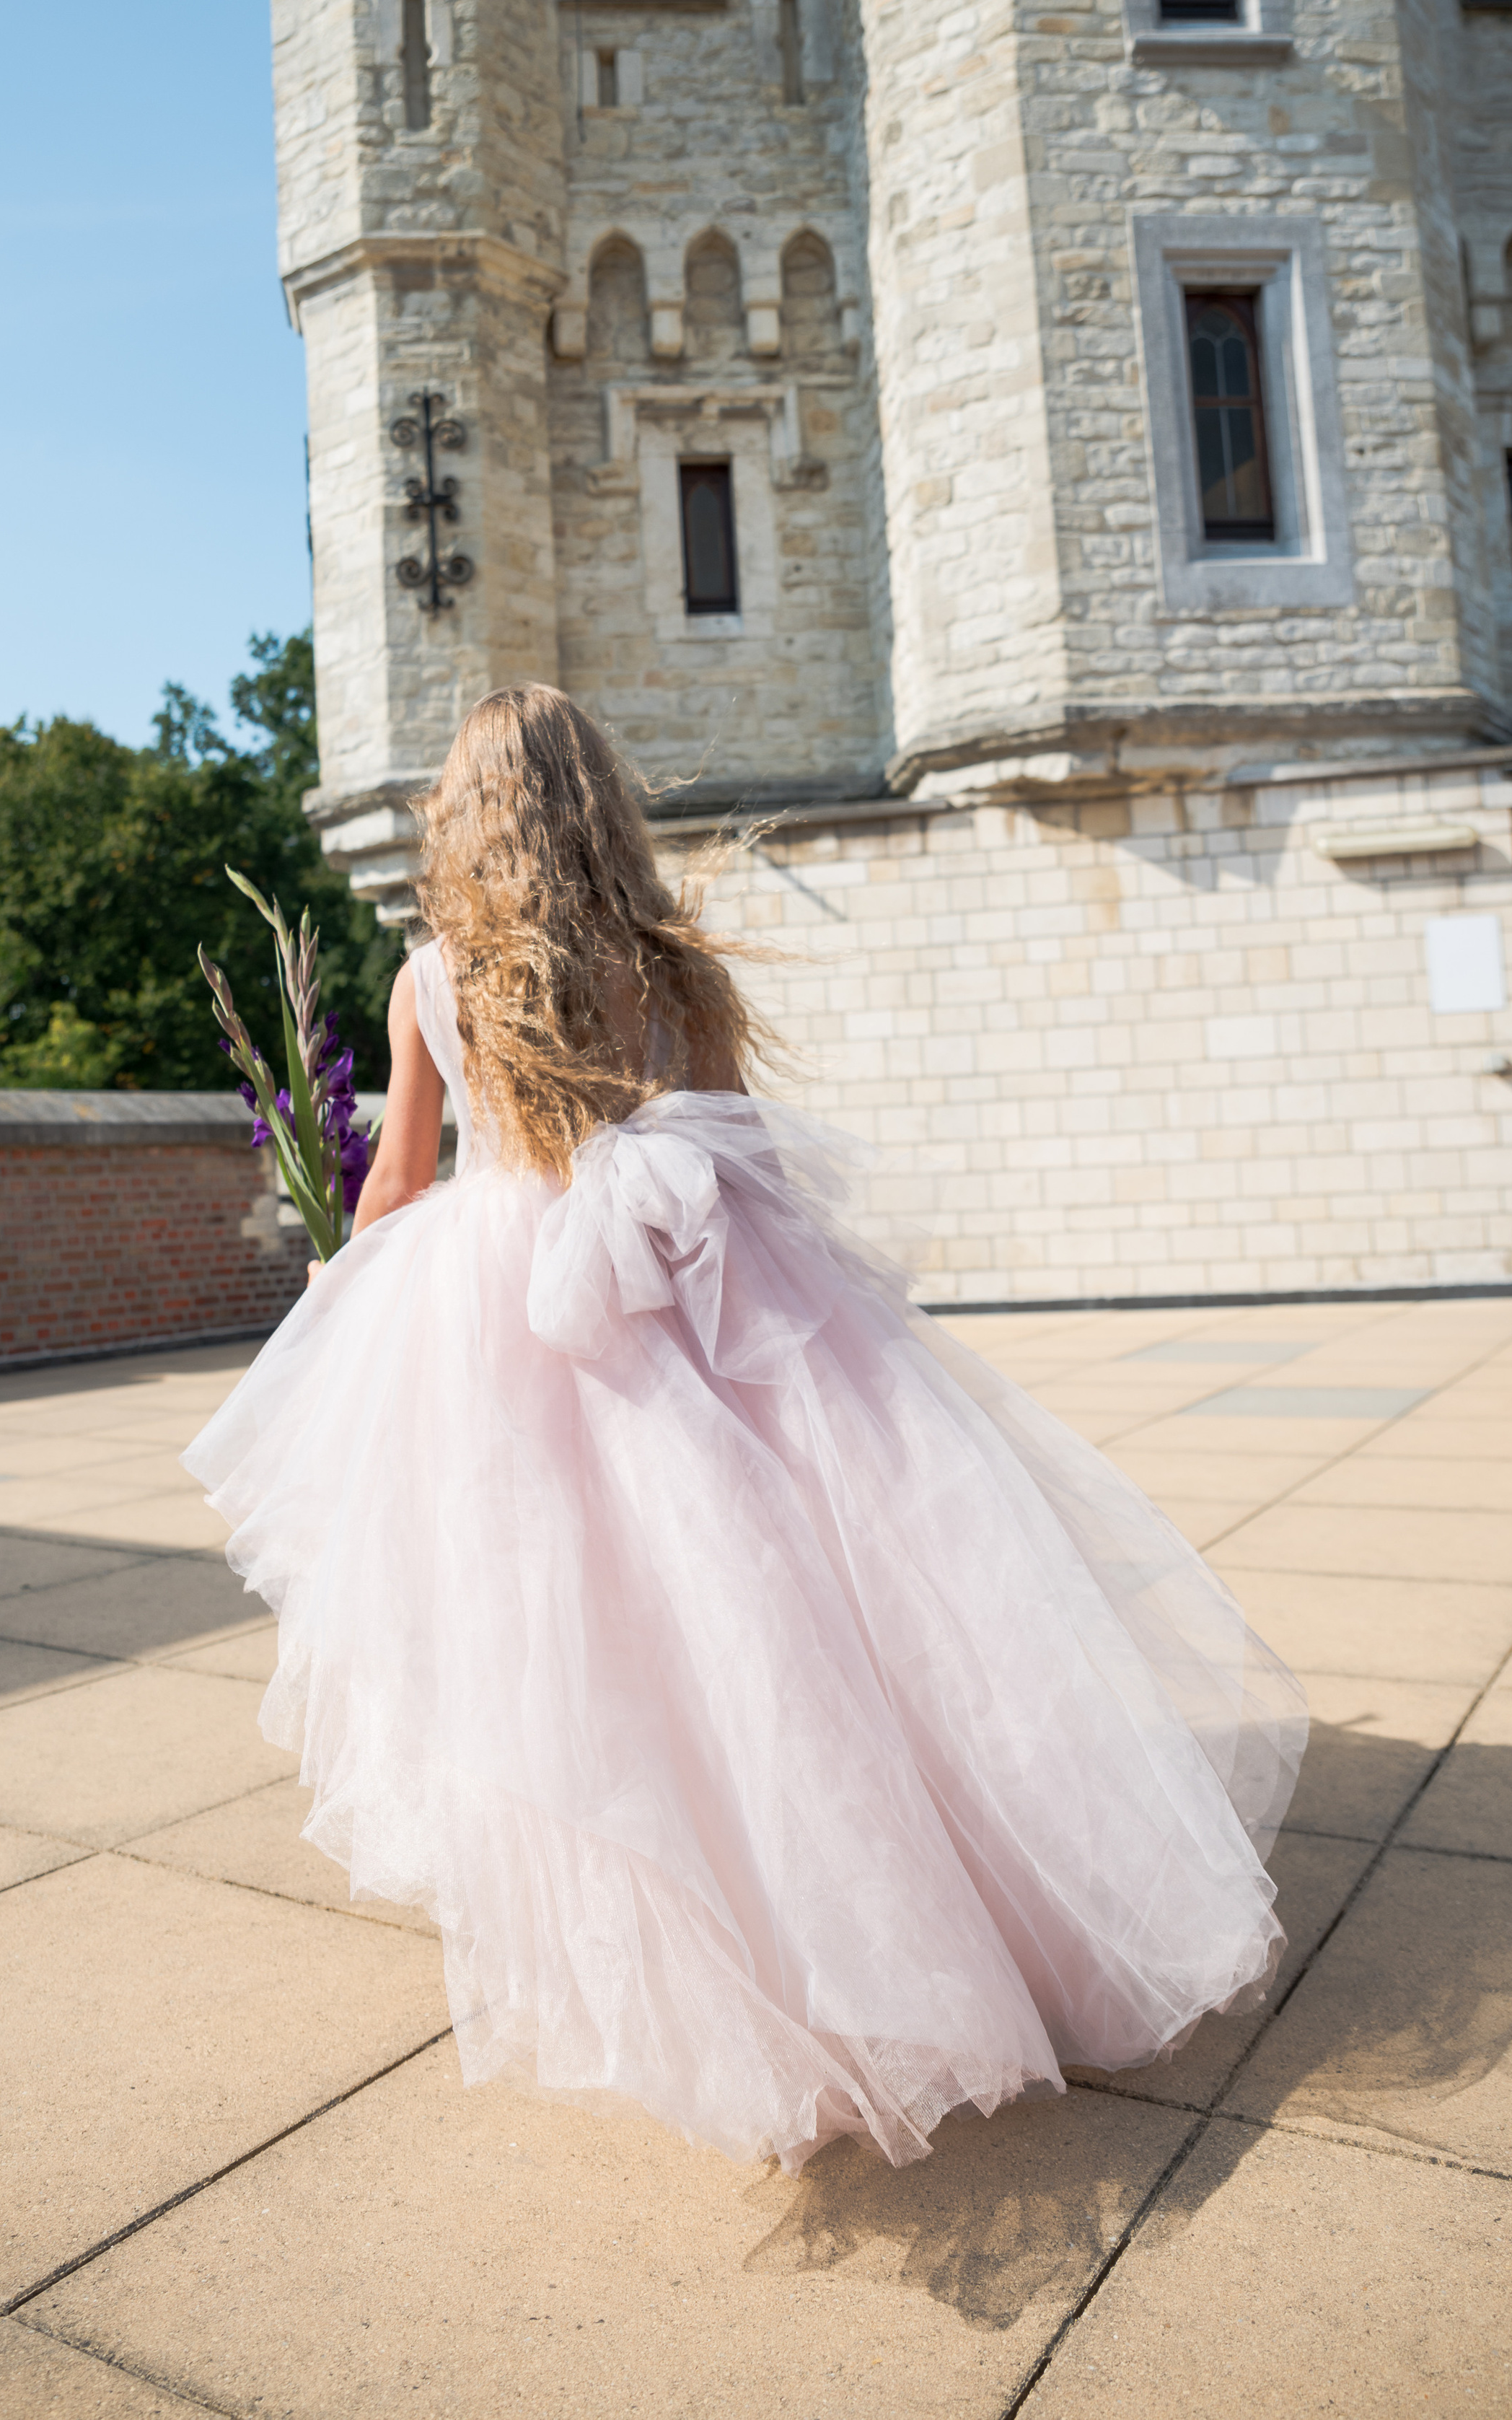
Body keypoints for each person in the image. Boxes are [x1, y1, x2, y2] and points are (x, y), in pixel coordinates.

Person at [185, 683, 1306, 2175]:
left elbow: (396, 1183)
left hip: (509, 1322)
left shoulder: (431, 981)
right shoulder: (675, 971)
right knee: (805, 1636)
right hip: (705, 1313)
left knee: (597, 1659)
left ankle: (735, 1995)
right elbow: (741, 1155)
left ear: (460, 815)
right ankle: (911, 1940)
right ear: (600, 804)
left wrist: (341, 1282)